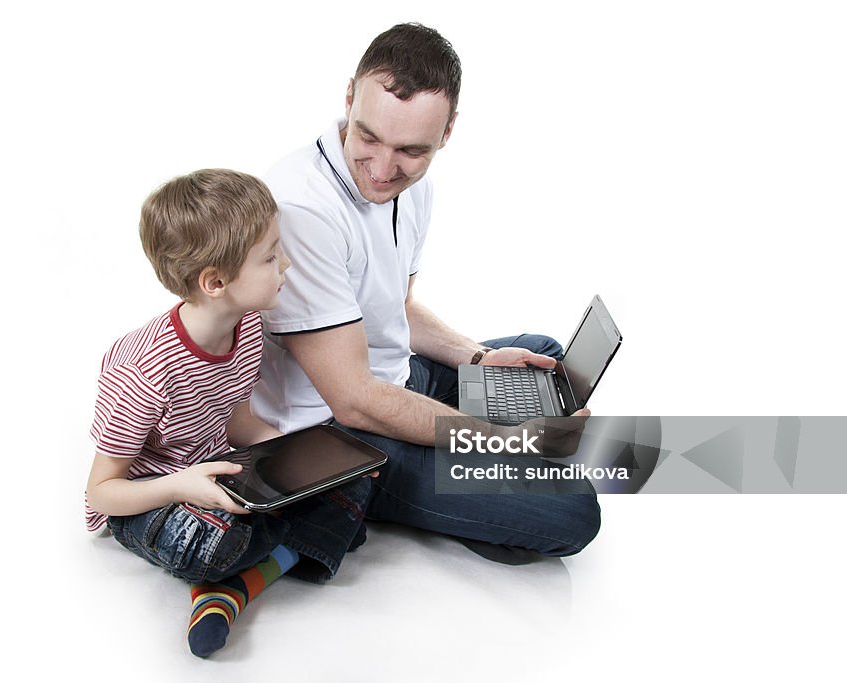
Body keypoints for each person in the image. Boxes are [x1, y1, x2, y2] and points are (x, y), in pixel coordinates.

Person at [251, 23, 601, 561]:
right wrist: (502, 438)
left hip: (392, 379)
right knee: (574, 511)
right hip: (337, 432)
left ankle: (490, 469)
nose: (383, 168)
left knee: (544, 359)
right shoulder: (302, 209)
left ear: (447, 132)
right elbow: (355, 400)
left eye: (411, 150)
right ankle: (412, 492)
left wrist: (479, 357)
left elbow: (401, 309)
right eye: (368, 137)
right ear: (349, 98)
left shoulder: (413, 188)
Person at [84, 169, 370, 658]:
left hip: (220, 473)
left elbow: (235, 420)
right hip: (153, 497)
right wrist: (183, 486)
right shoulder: (143, 373)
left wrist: (294, 455)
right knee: (214, 542)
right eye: (269, 255)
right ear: (216, 282)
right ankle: (266, 561)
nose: (287, 262)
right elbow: (101, 493)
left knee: (355, 476)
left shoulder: (249, 326)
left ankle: (230, 590)